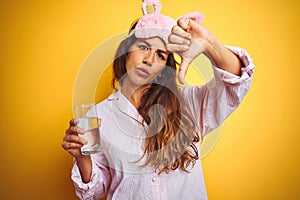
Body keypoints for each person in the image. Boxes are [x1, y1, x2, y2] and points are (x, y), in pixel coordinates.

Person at [62, 1, 254, 199]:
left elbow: (235, 81)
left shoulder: (189, 103)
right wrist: (82, 158)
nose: (149, 60)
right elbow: (95, 192)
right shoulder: (98, 115)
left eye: (160, 55)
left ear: (165, 67)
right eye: (144, 47)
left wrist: (209, 43)